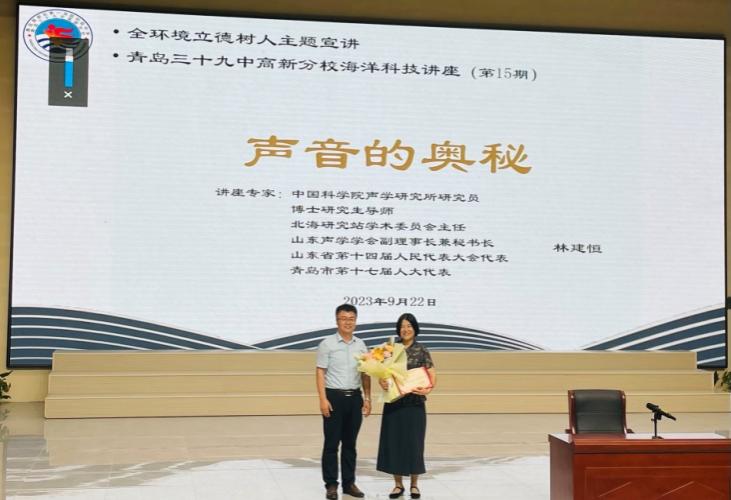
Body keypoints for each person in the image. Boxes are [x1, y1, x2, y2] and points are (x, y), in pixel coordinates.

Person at [377, 313, 436, 499]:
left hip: (415, 404)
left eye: (409, 326)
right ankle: (398, 485)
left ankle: (414, 485)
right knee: (394, 443)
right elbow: (382, 373)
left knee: (414, 444)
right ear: (398, 329)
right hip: (394, 403)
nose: (406, 329)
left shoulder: (422, 350)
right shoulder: (390, 349)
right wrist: (382, 382)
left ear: (415, 329)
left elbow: (432, 376)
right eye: (402, 326)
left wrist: (427, 389)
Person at [316, 303, 372, 500]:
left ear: (355, 321)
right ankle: (331, 484)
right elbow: (320, 372)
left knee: (350, 444)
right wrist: (323, 399)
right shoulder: (327, 344)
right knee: (331, 444)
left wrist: (367, 398)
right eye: (343, 319)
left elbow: (365, 373)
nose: (347, 322)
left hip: (355, 398)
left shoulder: (361, 345)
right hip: (334, 398)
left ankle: (349, 484)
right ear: (337, 321)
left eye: (351, 319)